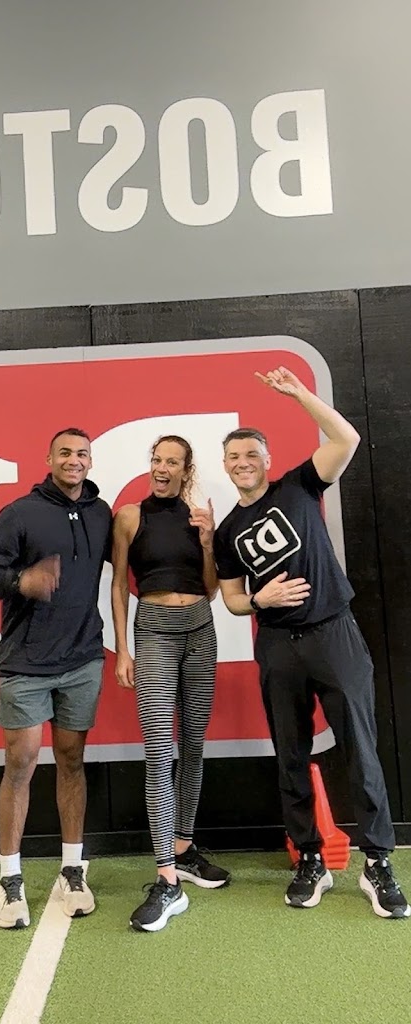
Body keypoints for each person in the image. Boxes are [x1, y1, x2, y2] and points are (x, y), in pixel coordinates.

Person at [214, 366, 410, 919]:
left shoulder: (299, 485)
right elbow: (231, 599)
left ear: (267, 459)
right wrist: (260, 599)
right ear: (224, 466)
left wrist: (299, 393)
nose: (243, 462)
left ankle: (377, 862)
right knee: (291, 756)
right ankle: (310, 859)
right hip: (278, 645)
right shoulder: (227, 532)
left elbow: (346, 439)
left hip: (333, 633)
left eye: (251, 454)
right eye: (233, 456)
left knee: (361, 751)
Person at [0, 428, 112, 929]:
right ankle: (9, 879)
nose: (74, 460)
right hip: (26, 664)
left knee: (72, 760)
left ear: (91, 461)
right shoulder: (20, 513)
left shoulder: (101, 513)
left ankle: (72, 870)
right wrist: (21, 580)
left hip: (83, 660)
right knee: (21, 764)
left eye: (82, 453)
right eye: (65, 452)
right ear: (49, 459)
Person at [112, 434, 231, 933]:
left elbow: (212, 589)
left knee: (193, 745)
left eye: (173, 462)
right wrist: (123, 648)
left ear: (186, 469)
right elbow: (119, 585)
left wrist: (207, 543)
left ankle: (183, 848)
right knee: (160, 752)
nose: (162, 468)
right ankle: (166, 879)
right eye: (157, 460)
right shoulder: (129, 517)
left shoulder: (200, 517)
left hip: (201, 628)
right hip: (154, 632)